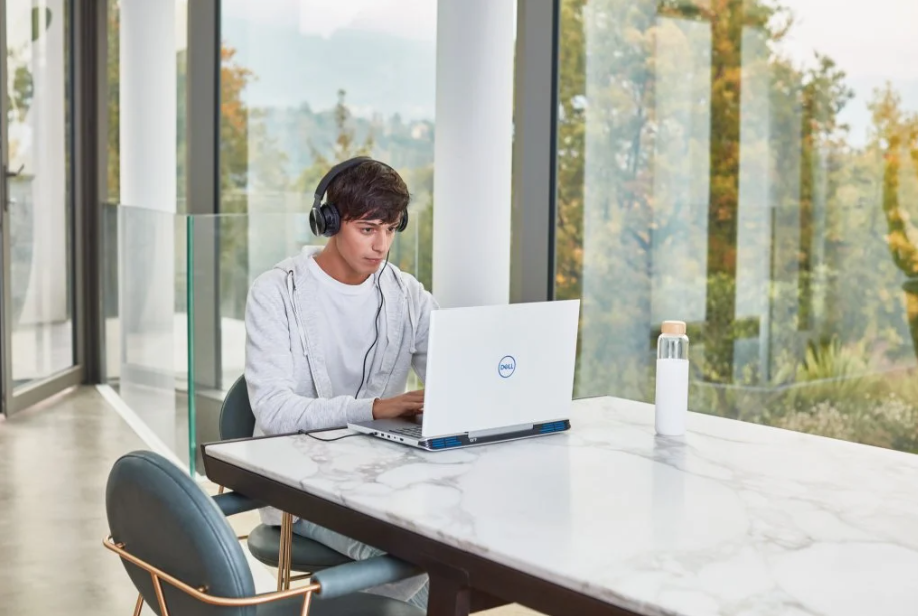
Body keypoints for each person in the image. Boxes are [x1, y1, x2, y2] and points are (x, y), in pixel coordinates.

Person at [243, 157, 437, 607]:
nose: (381, 245)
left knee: (459, 546)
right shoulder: (276, 293)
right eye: (367, 229)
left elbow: (451, 375)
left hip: (384, 480)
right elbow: (272, 409)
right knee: (429, 562)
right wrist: (373, 408)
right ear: (327, 221)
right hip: (300, 487)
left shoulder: (408, 295)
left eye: (391, 228)